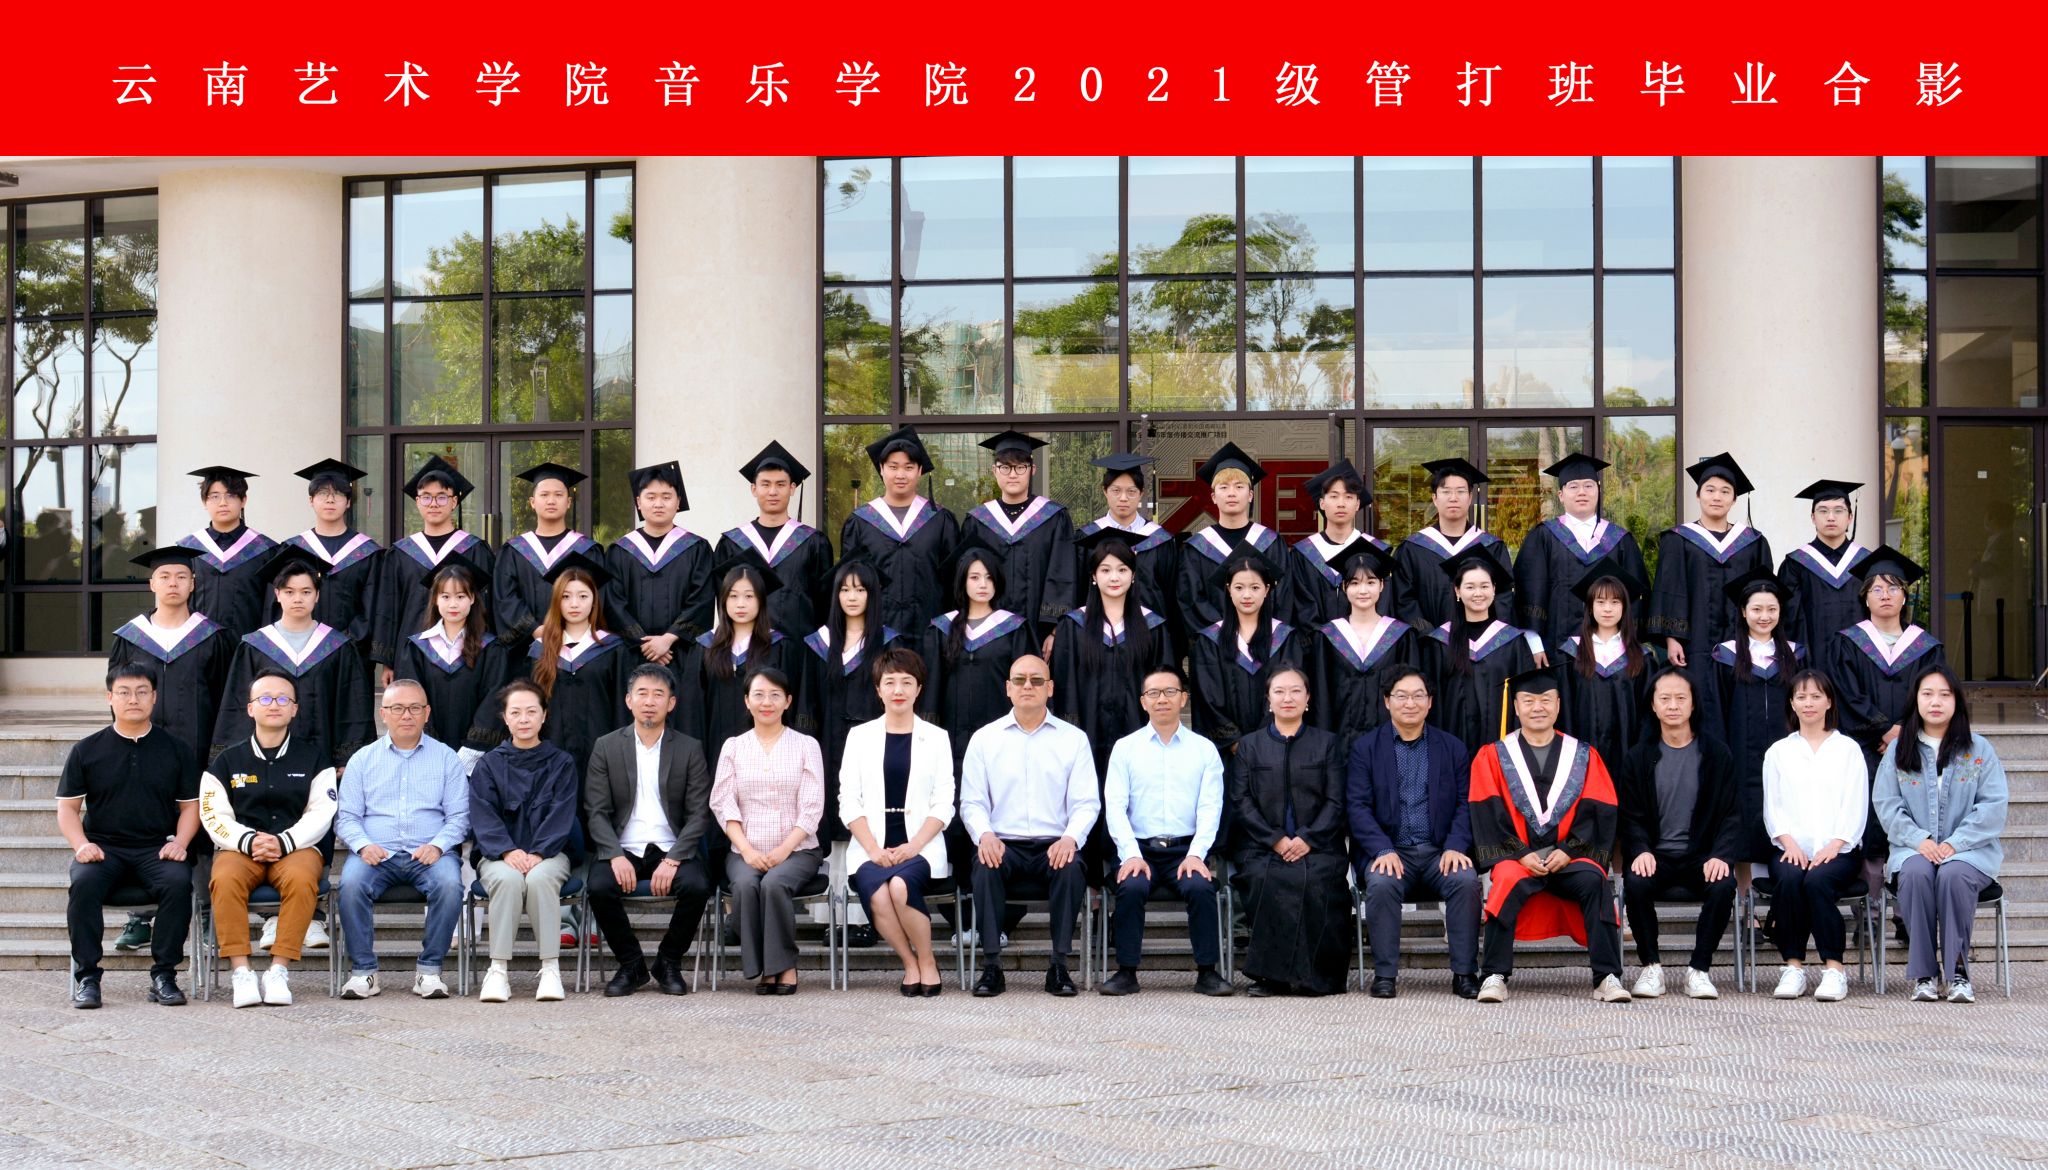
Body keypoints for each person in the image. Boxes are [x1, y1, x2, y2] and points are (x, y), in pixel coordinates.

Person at [1468, 667, 1629, 1003]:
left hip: (1571, 857)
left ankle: (1607, 977)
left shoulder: (1583, 755)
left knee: (1595, 881)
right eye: (1528, 700)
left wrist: (1569, 850)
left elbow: (1600, 808)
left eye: (1545, 700)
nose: (1537, 707)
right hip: (1518, 857)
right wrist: (1520, 852)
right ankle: (1494, 975)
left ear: (1558, 705)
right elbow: (1486, 811)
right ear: (1515, 707)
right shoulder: (1493, 755)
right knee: (1506, 880)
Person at [59, 663, 199, 1009]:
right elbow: (68, 809)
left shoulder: (176, 749)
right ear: (110, 697)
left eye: (141, 692)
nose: (132, 699)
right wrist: (82, 845)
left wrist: (181, 843)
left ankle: (164, 976)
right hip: (104, 849)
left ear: (154, 697)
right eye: (124, 692)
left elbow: (190, 807)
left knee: (178, 882)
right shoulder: (87, 750)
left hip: (156, 847)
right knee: (84, 883)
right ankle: (88, 978)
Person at [959, 654, 1100, 997]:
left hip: (1055, 844)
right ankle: (992, 966)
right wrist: (984, 835)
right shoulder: (985, 739)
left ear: (1050, 688)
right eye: (1019, 680)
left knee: (1071, 868)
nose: (1028, 686)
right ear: (1007, 688)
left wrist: (1070, 838)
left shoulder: (1073, 739)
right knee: (984, 866)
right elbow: (972, 802)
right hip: (1003, 843)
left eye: (1037, 680)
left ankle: (1059, 966)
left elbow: (1086, 803)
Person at [200, 671, 336, 1007]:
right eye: (264, 698)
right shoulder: (226, 761)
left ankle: (278, 970)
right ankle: (241, 971)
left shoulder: (315, 759)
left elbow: (322, 812)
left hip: (296, 848)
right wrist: (248, 841)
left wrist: (284, 842)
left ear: (294, 709)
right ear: (250, 708)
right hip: (239, 849)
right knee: (224, 878)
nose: (273, 705)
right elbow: (213, 813)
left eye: (282, 699)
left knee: (303, 879)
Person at [1873, 664, 2008, 1004]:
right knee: (1917, 873)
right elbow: (1886, 804)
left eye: (1944, 694)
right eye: (1928, 694)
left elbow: (1993, 806)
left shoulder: (1979, 749)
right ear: (1916, 700)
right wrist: (1919, 840)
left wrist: (1954, 844)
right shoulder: (1898, 749)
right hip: (1912, 848)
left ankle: (1958, 971)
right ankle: (1924, 974)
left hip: (1970, 851)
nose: (1936, 702)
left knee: (1953, 874)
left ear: (1956, 701)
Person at [1345, 668, 1480, 999]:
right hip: (1391, 851)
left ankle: (1464, 973)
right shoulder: (1366, 748)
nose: (1410, 703)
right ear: (1387, 701)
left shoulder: (1452, 748)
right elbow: (1357, 807)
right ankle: (1385, 975)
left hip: (1439, 852)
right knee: (1381, 883)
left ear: (1430, 702)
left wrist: (1456, 846)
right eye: (1401, 696)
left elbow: (1466, 803)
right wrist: (1382, 849)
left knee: (1465, 880)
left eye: (1418, 696)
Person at [334, 679, 471, 1000]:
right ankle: (364, 972)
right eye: (397, 708)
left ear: (427, 713)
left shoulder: (447, 758)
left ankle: (429, 971)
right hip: (375, 855)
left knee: (450, 884)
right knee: (350, 884)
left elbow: (460, 817)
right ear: (383, 713)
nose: (406, 715)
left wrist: (438, 845)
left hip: (430, 854)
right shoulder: (362, 760)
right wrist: (363, 845)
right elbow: (347, 817)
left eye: (414, 708)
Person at [1100, 665, 1231, 997]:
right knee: (1131, 887)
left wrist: (1197, 854)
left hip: (1185, 851)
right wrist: (1130, 854)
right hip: (1139, 849)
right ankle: (1126, 971)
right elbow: (1115, 807)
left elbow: (1210, 807)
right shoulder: (1125, 748)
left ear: (1183, 698)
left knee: (1200, 887)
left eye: (1170, 692)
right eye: (1153, 693)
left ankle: (1208, 972)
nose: (1162, 699)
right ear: (1143, 701)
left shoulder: (1204, 749)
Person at [585, 664, 715, 997]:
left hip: (671, 848)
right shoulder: (606, 746)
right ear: (629, 700)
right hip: (623, 847)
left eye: (659, 694)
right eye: (642, 693)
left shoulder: (688, 748)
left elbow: (698, 813)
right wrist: (614, 855)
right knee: (599, 885)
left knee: (697, 885)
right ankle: (631, 964)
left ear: (671, 703)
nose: (649, 701)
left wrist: (673, 859)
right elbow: (596, 811)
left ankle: (668, 961)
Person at [1049, 531, 1174, 877]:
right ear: (1093, 576)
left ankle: (1132, 871)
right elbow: (1064, 684)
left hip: (1138, 732)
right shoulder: (1073, 626)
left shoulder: (1153, 626)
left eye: (1121, 569)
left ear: (1133, 575)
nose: (1114, 577)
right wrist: (1072, 732)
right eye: (1105, 570)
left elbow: (1163, 684)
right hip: (1087, 732)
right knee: (1086, 798)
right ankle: (1090, 880)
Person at [919, 546, 1035, 913]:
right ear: (963, 582)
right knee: (955, 820)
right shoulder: (942, 628)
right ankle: (958, 914)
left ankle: (1000, 917)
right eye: (974, 577)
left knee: (999, 817)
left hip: (1002, 743)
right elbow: (931, 689)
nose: (982, 584)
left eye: (988, 577)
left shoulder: (1014, 628)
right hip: (953, 743)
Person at [1826, 546, 1947, 897]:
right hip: (1866, 748)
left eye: (1893, 587)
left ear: (1904, 595)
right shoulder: (1848, 643)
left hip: (1914, 745)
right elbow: (1846, 694)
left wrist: (1904, 731)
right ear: (1865, 597)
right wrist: (1884, 729)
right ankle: (1870, 904)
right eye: (1876, 588)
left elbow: (1935, 692)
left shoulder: (1926, 647)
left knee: (1914, 816)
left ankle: (1908, 906)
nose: (1885, 595)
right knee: (1870, 820)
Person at [1616, 667, 1742, 1000]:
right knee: (1636, 882)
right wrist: (1640, 849)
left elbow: (1731, 814)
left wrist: (1721, 854)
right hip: (1656, 855)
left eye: (1680, 698)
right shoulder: (1638, 757)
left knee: (1723, 884)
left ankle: (1699, 969)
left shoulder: (1717, 754)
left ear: (1693, 704)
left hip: (1701, 856)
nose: (1673, 705)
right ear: (1653, 705)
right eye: (1665, 698)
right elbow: (1630, 816)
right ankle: (1651, 967)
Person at [840, 648, 955, 996]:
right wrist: (873, 849)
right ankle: (909, 962)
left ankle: (928, 960)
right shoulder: (859, 737)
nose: (898, 690)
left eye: (907, 682)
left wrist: (913, 846)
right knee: (879, 891)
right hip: (870, 845)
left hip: (921, 845)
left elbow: (944, 802)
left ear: (918, 689)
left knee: (900, 887)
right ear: (878, 689)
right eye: (889, 682)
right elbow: (849, 800)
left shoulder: (936, 738)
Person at [1233, 667, 1351, 997]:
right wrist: (1275, 840)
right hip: (1263, 846)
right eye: (1280, 691)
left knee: (1316, 881)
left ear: (1308, 699)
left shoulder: (1326, 743)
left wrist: (1308, 838)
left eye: (1296, 691)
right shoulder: (1250, 746)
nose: (1288, 698)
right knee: (1265, 878)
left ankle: (1317, 978)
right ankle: (1271, 977)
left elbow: (1335, 800)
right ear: (1268, 700)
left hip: (1319, 845)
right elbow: (1241, 800)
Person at [709, 666, 826, 993]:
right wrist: (746, 850)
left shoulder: (806, 745)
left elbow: (812, 805)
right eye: (759, 695)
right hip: (744, 849)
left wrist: (784, 849)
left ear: (788, 701)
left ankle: (784, 966)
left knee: (774, 883)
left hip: (798, 849)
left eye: (775, 695)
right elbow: (723, 803)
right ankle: (761, 966)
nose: (767, 702)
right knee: (745, 884)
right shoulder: (733, 746)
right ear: (747, 701)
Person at [468, 679, 580, 1003]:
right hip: (498, 855)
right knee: (507, 879)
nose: (524, 719)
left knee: (541, 878)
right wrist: (507, 851)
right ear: (505, 718)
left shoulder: (561, 763)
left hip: (550, 854)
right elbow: (483, 814)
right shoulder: (489, 764)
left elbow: (561, 813)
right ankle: (498, 970)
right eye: (515, 712)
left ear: (544, 715)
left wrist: (539, 852)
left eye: (531, 711)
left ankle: (550, 968)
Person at [212, 548, 374, 772]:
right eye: (289, 592)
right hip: (263, 763)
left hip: (322, 759)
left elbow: (351, 705)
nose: (298, 599)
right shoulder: (255, 646)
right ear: (277, 595)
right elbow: (238, 705)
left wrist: (346, 759)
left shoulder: (337, 646)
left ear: (317, 595)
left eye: (306, 592)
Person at [1760, 669, 1868, 1002]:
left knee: (1818, 881)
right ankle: (1793, 967)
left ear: (1829, 702)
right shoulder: (1779, 751)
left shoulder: (1847, 749)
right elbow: (1772, 805)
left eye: (1816, 696)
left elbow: (1856, 802)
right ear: (1792, 703)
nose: (1809, 703)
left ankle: (1834, 969)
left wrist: (1836, 844)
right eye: (1801, 696)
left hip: (1840, 850)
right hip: (1789, 847)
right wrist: (1788, 842)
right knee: (1790, 878)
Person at [1647, 453, 1774, 721]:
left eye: (1725, 491)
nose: (1717, 497)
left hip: (1743, 641)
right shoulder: (1678, 540)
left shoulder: (1753, 542)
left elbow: (1764, 595)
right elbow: (1669, 589)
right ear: (1698, 496)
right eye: (1710, 490)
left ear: (1734, 499)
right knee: (1701, 705)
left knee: (1741, 707)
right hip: (1695, 643)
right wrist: (1672, 638)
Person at [483, 552, 634, 774]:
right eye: (566, 596)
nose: (575, 604)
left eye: (583, 596)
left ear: (594, 601)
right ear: (556, 601)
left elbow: (622, 709)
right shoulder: (539, 650)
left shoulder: (612, 649)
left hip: (601, 759)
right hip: (548, 761)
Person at [801, 558, 906, 844]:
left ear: (872, 595)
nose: (852, 597)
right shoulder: (819, 643)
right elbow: (808, 699)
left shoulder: (888, 642)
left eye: (860, 590)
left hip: (874, 742)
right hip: (827, 741)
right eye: (845, 590)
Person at [1512, 453, 1648, 661]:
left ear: (1598, 490)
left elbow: (1636, 595)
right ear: (1561, 495)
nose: (1581, 492)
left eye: (1588, 486)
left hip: (1610, 652)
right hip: (1553, 649)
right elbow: (1529, 590)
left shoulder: (1620, 540)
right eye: (1573, 486)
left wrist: (1626, 642)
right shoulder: (1543, 536)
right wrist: (1534, 643)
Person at [371, 455, 493, 683]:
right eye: (426, 497)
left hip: (465, 653)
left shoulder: (474, 549)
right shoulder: (400, 553)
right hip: (410, 652)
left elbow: (486, 606)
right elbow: (388, 606)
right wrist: (388, 661)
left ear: (454, 502)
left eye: (441, 497)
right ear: (417, 502)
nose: (434, 503)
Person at [1713, 567, 1805, 868]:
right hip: (1740, 755)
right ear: (1743, 611)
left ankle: (1780, 888)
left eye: (1771, 609)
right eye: (1756, 609)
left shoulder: (1796, 655)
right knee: (1741, 824)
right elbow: (1716, 709)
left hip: (1788, 756)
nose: (1764, 616)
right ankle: (1745, 895)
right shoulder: (1725, 655)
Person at [107, 545, 234, 761]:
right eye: (164, 577)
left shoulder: (212, 637)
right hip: (140, 747)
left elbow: (223, 696)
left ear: (192, 584)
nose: (173, 583)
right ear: (152, 584)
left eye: (181, 577)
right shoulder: (131, 637)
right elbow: (119, 695)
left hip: (196, 749)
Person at [680, 557, 805, 769]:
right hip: (714, 756)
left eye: (749, 596)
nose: (740, 604)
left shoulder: (780, 647)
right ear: (723, 600)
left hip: (771, 759)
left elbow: (791, 708)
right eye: (733, 596)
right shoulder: (704, 647)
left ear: (761, 601)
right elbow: (692, 712)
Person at [837, 425, 960, 635]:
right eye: (893, 467)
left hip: (930, 632)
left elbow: (954, 581)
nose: (900, 474)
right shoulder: (861, 522)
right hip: (877, 633)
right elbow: (850, 582)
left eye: (909, 467)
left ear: (920, 471)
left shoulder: (940, 520)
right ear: (881, 469)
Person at [395, 562, 516, 768]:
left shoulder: (490, 648)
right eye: (445, 596)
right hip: (426, 756)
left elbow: (494, 700)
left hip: (476, 760)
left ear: (472, 599)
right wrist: (432, 749)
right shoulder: (417, 648)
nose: (453, 604)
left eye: (460, 596)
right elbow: (411, 699)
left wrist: (468, 754)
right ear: (435, 599)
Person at [959, 431, 1075, 644]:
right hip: (987, 633)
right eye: (1005, 467)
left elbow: (1061, 574)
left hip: (1039, 632)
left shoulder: (1053, 518)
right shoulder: (978, 521)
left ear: (1032, 470)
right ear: (994, 471)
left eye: (1020, 467)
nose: (1013, 474)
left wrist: (1054, 629)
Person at [276, 459, 384, 683]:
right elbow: (279, 604)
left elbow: (373, 606)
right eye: (322, 493)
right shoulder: (293, 549)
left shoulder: (368, 552)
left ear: (348, 502)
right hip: (298, 652)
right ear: (311, 500)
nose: (330, 499)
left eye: (339, 493)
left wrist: (341, 643)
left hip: (352, 655)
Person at [1425, 550, 1538, 759]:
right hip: (1450, 745)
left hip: (1502, 746)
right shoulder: (1439, 642)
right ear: (1457, 591)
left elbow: (1526, 695)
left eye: (1484, 586)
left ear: (1494, 589)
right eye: (1470, 587)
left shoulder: (1512, 641)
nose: (1478, 593)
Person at [716, 441, 833, 636]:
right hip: (748, 646)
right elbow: (723, 600)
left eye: (780, 484)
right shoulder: (732, 543)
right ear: (754, 489)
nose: (773, 492)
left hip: (799, 645)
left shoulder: (813, 542)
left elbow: (825, 602)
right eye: (765, 484)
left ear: (792, 488)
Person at [1307, 543, 1422, 741]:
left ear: (1382, 585)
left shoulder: (1400, 636)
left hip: (1389, 744)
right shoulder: (1328, 636)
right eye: (1354, 583)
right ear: (1344, 587)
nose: (1363, 590)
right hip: (1340, 744)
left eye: (1370, 582)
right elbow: (1321, 699)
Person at [606, 460, 715, 665]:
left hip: (682, 654)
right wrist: (645, 644)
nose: (658, 504)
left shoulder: (697, 549)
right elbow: (613, 603)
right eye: (651, 497)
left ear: (678, 501)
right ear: (638, 502)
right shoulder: (620, 551)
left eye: (666, 497)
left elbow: (702, 599)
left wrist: (669, 638)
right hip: (633, 654)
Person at [1175, 444, 1287, 640]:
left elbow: (1283, 594)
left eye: (1239, 486)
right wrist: (1225, 633)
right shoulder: (1197, 548)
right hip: (1215, 645)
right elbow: (1191, 599)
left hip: (1264, 641)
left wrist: (1258, 631)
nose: (1231, 493)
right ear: (1213, 497)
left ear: (1250, 495)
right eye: (1224, 487)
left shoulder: (1271, 542)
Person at [1190, 554, 1301, 749]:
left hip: (1276, 747)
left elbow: (1290, 692)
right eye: (1239, 587)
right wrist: (1234, 743)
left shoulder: (1285, 638)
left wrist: (1266, 740)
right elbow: (1207, 698)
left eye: (1255, 587)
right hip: (1228, 752)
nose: (1247, 595)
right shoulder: (1209, 641)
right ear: (1229, 590)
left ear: (1267, 590)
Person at [1557, 558, 1658, 769]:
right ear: (1590, 607)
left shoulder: (1641, 657)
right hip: (1579, 756)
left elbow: (1648, 715)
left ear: (1625, 607)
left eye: (1615, 602)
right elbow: (1564, 709)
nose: (1607, 609)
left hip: (1628, 756)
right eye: (1600, 602)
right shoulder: (1571, 654)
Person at [1075, 453, 1180, 655]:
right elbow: (1079, 591)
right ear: (1104, 491)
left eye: (1131, 491)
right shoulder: (1088, 538)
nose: (1123, 498)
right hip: (1097, 638)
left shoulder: (1160, 540)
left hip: (1149, 637)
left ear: (1141, 493)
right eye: (1116, 490)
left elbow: (1170, 595)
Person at [1394, 457, 1514, 632]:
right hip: (1428, 642)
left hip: (1480, 642)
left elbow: (1504, 596)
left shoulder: (1491, 547)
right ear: (1435, 498)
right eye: (1446, 491)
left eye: (1460, 491)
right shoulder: (1413, 548)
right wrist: (1430, 636)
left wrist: (1483, 635)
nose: (1453, 498)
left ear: (1470, 497)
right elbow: (1403, 599)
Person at [493, 462, 604, 649]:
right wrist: (534, 629)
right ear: (532, 502)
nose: (551, 501)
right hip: (526, 650)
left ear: (568, 502)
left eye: (558, 495)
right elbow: (505, 597)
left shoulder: (587, 550)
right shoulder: (514, 551)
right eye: (544, 495)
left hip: (576, 647)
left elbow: (597, 597)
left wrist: (569, 632)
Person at [1285, 458, 1398, 629]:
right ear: (1322, 503)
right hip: (1315, 643)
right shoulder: (1303, 554)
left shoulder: (1376, 552)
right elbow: (1302, 610)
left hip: (1368, 642)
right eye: (1334, 496)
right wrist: (1323, 640)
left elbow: (1384, 606)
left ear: (1357, 504)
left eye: (1348, 497)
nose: (1341, 503)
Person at [178, 464, 278, 642]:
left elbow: (273, 607)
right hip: (199, 647)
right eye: (214, 496)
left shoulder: (265, 549)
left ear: (243, 500)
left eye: (231, 495)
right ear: (204, 502)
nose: (223, 503)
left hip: (249, 647)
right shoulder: (189, 549)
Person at [1780, 479, 1872, 656]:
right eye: (1823, 511)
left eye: (1838, 511)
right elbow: (1790, 620)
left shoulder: (1866, 562)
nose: (1831, 517)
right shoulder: (1796, 564)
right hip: (1813, 660)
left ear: (1850, 517)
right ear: (1813, 517)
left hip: (1860, 659)